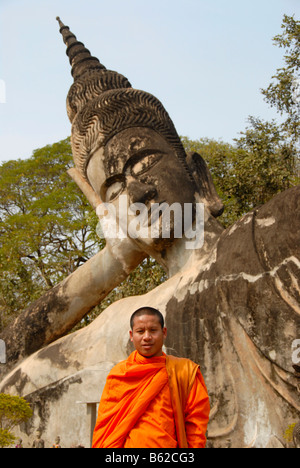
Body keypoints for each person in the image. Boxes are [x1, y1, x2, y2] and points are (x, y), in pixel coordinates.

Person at [92, 307, 210, 448]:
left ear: (164, 332)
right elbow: (106, 429)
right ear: (131, 335)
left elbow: (196, 424)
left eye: (153, 330)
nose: (146, 337)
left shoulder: (184, 371)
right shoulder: (119, 374)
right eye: (140, 331)